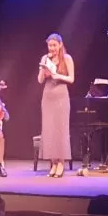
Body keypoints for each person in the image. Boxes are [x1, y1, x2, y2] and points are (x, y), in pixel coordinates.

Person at [37, 33, 74, 178]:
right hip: (47, 97)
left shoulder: (67, 58)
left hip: (61, 96)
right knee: (49, 130)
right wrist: (43, 68)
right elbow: (40, 80)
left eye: (54, 45)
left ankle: (61, 163)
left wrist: (56, 75)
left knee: (60, 130)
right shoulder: (45, 58)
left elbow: (71, 78)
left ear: (60, 45)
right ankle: (53, 163)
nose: (52, 48)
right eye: (50, 45)